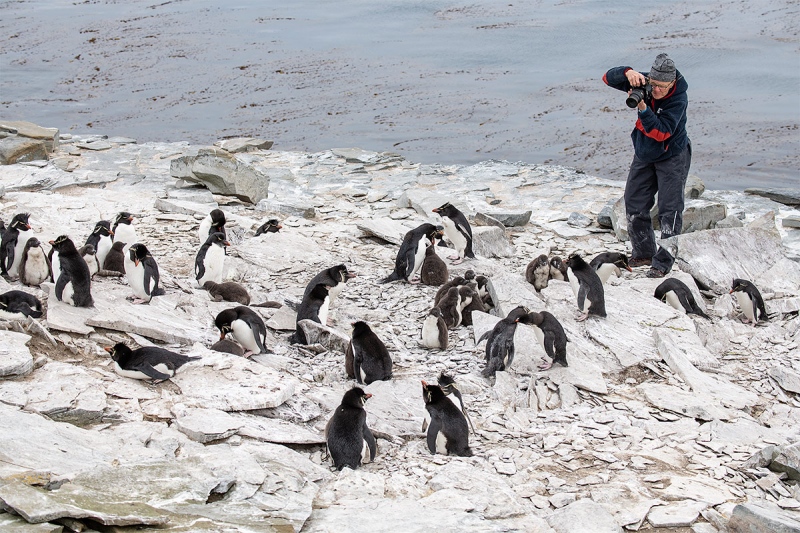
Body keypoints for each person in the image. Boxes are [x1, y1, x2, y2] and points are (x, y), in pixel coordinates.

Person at [603, 53, 691, 278]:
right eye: (654, 84)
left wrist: (643, 108)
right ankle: (643, 252)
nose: (657, 90)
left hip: (672, 155)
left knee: (669, 210)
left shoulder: (678, 99)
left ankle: (663, 262)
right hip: (644, 153)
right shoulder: (646, 82)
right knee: (633, 202)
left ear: (672, 83)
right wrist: (628, 72)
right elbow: (606, 78)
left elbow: (661, 132)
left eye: (662, 87)